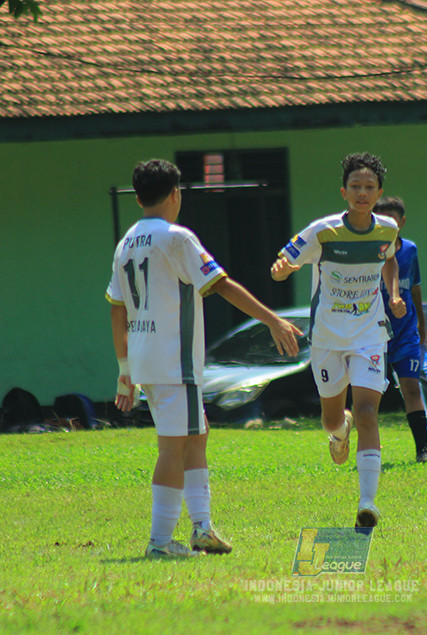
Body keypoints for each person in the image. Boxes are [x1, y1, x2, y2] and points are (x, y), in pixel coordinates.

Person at [108, 159, 302, 559]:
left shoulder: (127, 241)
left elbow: (115, 307)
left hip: (148, 359)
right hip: (172, 360)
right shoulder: (176, 237)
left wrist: (125, 369)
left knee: (197, 435)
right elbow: (221, 284)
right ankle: (160, 542)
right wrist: (273, 320)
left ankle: (201, 527)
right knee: (173, 447)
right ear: (175, 194)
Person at [270, 152, 405, 531]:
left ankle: (368, 504)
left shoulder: (387, 230)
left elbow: (390, 259)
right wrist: (283, 269)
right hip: (328, 335)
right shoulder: (323, 231)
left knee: (367, 413)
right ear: (343, 191)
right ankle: (338, 430)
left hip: (369, 334)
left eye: (370, 187)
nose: (362, 193)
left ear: (379, 193)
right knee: (333, 419)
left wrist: (392, 294)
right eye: (356, 187)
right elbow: (283, 263)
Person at [372, 196, 427, 463]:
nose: (388, 224)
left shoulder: (410, 249)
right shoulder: (368, 251)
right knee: (371, 394)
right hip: (373, 332)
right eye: (382, 219)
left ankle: (423, 450)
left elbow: (416, 287)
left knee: (411, 387)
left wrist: (421, 321)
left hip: (405, 331)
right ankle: (368, 452)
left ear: (402, 222)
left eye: (393, 219)